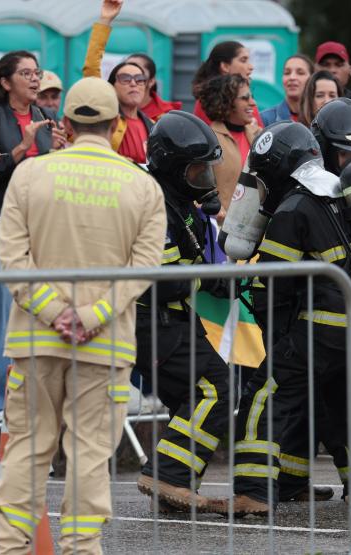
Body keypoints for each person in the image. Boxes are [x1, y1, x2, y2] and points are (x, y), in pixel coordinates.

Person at [0, 76, 166, 554]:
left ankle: (8, 547)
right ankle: (81, 548)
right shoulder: (143, 185)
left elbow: (12, 256)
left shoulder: (29, 175)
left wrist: (51, 309)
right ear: (116, 126)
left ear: (64, 123)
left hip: (34, 338)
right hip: (105, 342)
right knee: (89, 456)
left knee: (27, 449)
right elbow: (145, 266)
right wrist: (94, 314)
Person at [229, 104, 351, 516]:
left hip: (322, 329)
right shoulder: (345, 198)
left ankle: (252, 491)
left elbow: (275, 284)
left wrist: (276, 336)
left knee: (267, 394)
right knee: (349, 406)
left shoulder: (293, 208)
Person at [133, 110, 232, 512]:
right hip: (153, 321)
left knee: (191, 397)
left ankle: (174, 487)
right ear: (173, 169)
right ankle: (167, 476)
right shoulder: (155, 204)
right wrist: (206, 276)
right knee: (215, 390)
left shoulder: (180, 204)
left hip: (172, 319)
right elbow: (165, 281)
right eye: (196, 171)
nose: (205, 180)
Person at [0, 50, 65, 423]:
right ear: (5, 81)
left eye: (36, 72)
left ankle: (21, 406)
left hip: (38, 231)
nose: (34, 78)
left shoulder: (45, 117)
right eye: (25, 73)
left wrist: (60, 153)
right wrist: (24, 147)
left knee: (34, 322)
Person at [82, 0, 155, 164]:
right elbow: (91, 70)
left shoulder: (153, 126)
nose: (133, 83)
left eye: (139, 79)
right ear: (112, 87)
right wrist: (105, 20)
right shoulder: (105, 119)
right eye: (125, 78)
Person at [197, 74, 259, 219]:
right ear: (226, 102)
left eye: (251, 97)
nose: (253, 103)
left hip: (254, 229)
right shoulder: (207, 139)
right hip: (221, 230)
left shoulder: (259, 135)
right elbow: (195, 191)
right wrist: (213, 211)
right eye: (245, 98)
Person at [192, 39, 264, 127]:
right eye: (243, 60)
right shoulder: (207, 102)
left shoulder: (248, 99)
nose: (251, 67)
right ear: (225, 66)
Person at [125, 52, 183, 122]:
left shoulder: (167, 116)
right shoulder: (114, 111)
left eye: (138, 74)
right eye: (126, 73)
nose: (132, 82)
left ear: (151, 81)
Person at [260, 54, 313, 125]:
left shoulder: (320, 119)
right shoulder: (265, 119)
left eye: (300, 73)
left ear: (312, 79)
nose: (292, 77)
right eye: (287, 73)